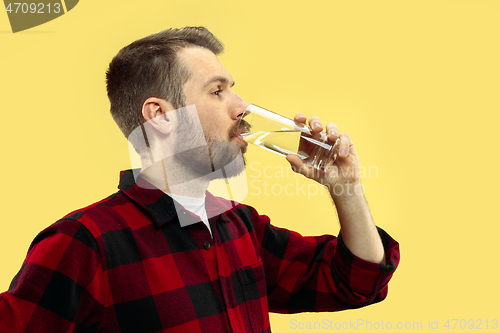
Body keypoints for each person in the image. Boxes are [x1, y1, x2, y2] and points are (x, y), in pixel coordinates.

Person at [0, 27, 400, 333]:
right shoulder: (86, 243)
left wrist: (346, 189)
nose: (242, 106)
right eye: (217, 91)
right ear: (160, 116)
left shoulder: (241, 227)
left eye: (233, 90)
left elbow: (353, 282)